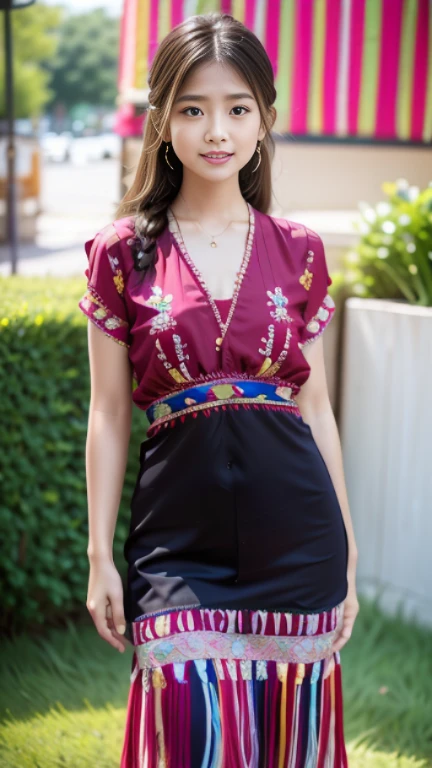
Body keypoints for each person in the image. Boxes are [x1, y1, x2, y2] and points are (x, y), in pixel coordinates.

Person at [79, 12, 359, 767]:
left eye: (238, 108)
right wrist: (100, 556)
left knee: (285, 744)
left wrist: (350, 553)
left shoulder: (298, 250)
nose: (217, 130)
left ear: (265, 121)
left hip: (297, 539)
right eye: (194, 109)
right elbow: (108, 416)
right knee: (187, 729)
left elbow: (316, 409)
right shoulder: (120, 253)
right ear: (162, 118)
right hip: (177, 544)